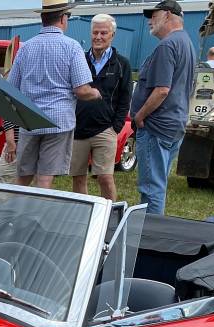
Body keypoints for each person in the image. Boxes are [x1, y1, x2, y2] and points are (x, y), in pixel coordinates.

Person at [4, 0, 100, 189]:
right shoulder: (72, 47)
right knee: (45, 177)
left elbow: (11, 88)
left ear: (42, 19)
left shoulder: (26, 48)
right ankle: (38, 216)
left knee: (23, 176)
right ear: (63, 18)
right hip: (58, 121)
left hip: (29, 119)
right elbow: (82, 90)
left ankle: (15, 213)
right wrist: (96, 93)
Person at [131, 0, 196, 215]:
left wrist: (140, 116)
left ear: (167, 15)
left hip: (156, 127)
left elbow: (162, 90)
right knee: (157, 184)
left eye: (154, 16)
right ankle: (152, 233)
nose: (150, 21)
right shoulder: (186, 42)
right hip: (173, 124)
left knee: (151, 189)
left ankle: (150, 237)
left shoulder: (167, 45)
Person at [71, 13, 131, 201]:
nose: (98, 37)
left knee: (105, 177)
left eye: (103, 33)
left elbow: (125, 97)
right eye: (95, 32)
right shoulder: (79, 60)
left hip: (105, 130)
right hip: (78, 129)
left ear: (112, 35)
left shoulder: (122, 64)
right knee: (78, 177)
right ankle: (82, 215)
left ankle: (110, 216)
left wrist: (116, 127)